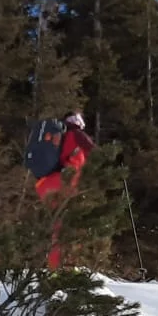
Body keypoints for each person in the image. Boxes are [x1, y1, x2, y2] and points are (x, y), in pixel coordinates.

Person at [32, 111, 95, 270]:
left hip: (46, 184)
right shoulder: (76, 135)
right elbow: (95, 152)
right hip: (64, 183)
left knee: (58, 228)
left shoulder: (59, 138)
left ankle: (55, 267)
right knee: (72, 226)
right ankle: (67, 268)